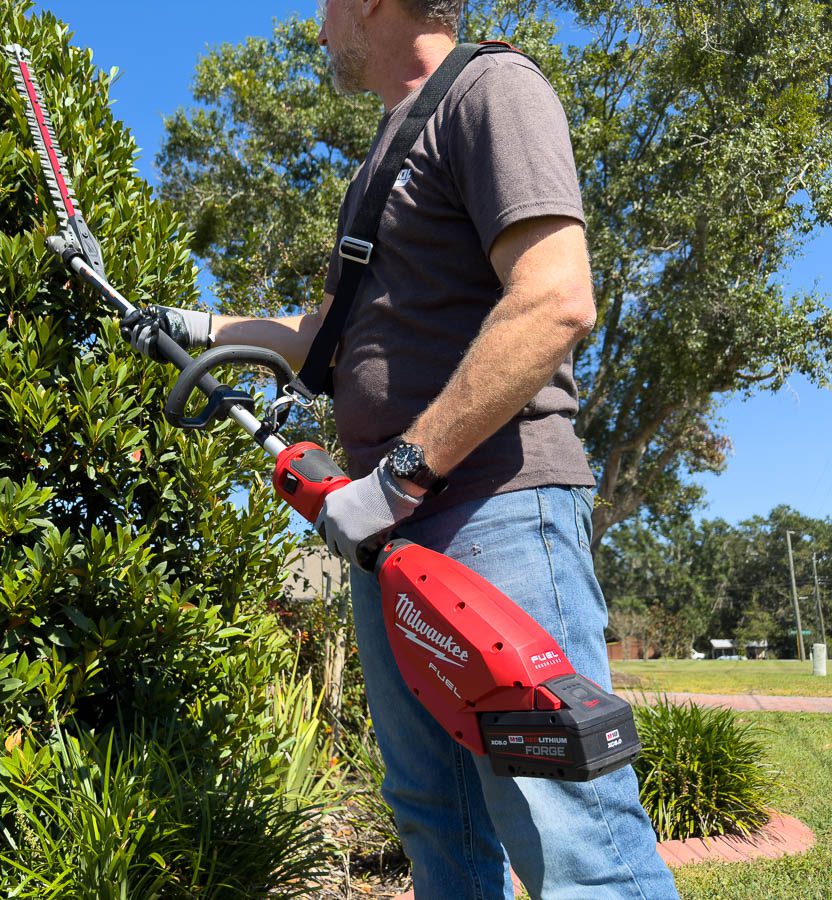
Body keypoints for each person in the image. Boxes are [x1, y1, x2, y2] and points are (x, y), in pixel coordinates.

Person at [125, 1, 679, 897]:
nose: (317, 27)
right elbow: (325, 339)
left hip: (494, 513)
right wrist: (189, 326)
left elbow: (555, 299)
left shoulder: (493, 89)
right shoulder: (383, 157)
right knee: (435, 820)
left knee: (576, 837)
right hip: (391, 544)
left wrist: (396, 479)